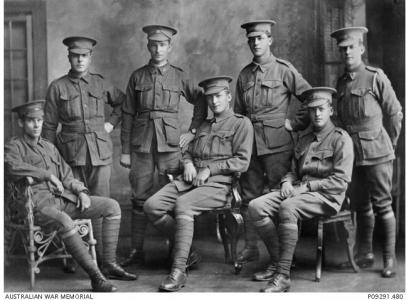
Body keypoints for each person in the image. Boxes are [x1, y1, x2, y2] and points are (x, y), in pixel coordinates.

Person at [5, 100, 137, 292]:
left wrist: (81, 191)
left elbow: (67, 175)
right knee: (66, 221)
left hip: (63, 200)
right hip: (36, 205)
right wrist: (47, 175)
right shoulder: (14, 147)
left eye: (40, 120)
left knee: (112, 206)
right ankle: (96, 277)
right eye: (31, 121)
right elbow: (10, 166)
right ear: (21, 123)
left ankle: (108, 264)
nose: (36, 125)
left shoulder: (49, 147)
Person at [143, 76, 254, 291]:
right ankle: (189, 251)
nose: (213, 101)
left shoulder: (241, 123)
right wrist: (187, 164)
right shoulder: (203, 125)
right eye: (210, 97)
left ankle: (178, 270)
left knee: (183, 205)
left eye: (218, 96)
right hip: (190, 181)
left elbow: (242, 161)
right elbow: (187, 151)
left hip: (220, 185)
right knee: (152, 206)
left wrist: (209, 169)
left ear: (228, 97)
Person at [248, 87, 354, 292]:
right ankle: (279, 262)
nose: (317, 114)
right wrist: (287, 182)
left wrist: (306, 186)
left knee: (288, 207)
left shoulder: (341, 139)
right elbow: (293, 171)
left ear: (330, 110)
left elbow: (341, 181)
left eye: (321, 109)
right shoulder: (304, 139)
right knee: (255, 206)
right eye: (313, 110)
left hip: (327, 196)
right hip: (299, 192)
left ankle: (283, 275)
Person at [120, 25, 207, 266]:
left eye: (162, 45)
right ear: (148, 46)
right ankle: (137, 251)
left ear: (169, 47)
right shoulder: (137, 76)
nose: (158, 49)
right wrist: (126, 151)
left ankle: (178, 251)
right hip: (142, 147)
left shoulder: (179, 76)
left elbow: (201, 99)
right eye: (153, 44)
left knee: (171, 198)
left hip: (170, 147)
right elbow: (127, 113)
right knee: (139, 198)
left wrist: (192, 131)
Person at [42, 36, 125, 267]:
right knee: (73, 202)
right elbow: (48, 127)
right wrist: (50, 162)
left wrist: (110, 124)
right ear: (69, 57)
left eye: (84, 56)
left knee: (101, 203)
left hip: (100, 152)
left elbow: (123, 103)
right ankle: (74, 257)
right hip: (69, 155)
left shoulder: (100, 83)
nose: (80, 60)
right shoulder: (57, 87)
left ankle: (106, 260)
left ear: (90, 57)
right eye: (75, 55)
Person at [234, 19, 312, 264]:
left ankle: (285, 255)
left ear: (270, 40)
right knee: (249, 197)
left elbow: (311, 98)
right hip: (250, 146)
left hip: (278, 144)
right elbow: (238, 114)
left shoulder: (284, 69)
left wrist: (295, 123)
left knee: (282, 196)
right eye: (252, 39)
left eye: (260, 38)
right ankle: (251, 247)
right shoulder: (244, 74)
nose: (256, 43)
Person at [331, 27, 403, 278]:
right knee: (361, 206)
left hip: (377, 152)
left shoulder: (375, 77)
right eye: (343, 48)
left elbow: (395, 113)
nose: (347, 52)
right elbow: (339, 121)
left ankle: (389, 259)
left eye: (351, 47)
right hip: (353, 156)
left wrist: (388, 145)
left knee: (383, 205)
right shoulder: (340, 83)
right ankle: (364, 254)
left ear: (361, 49)